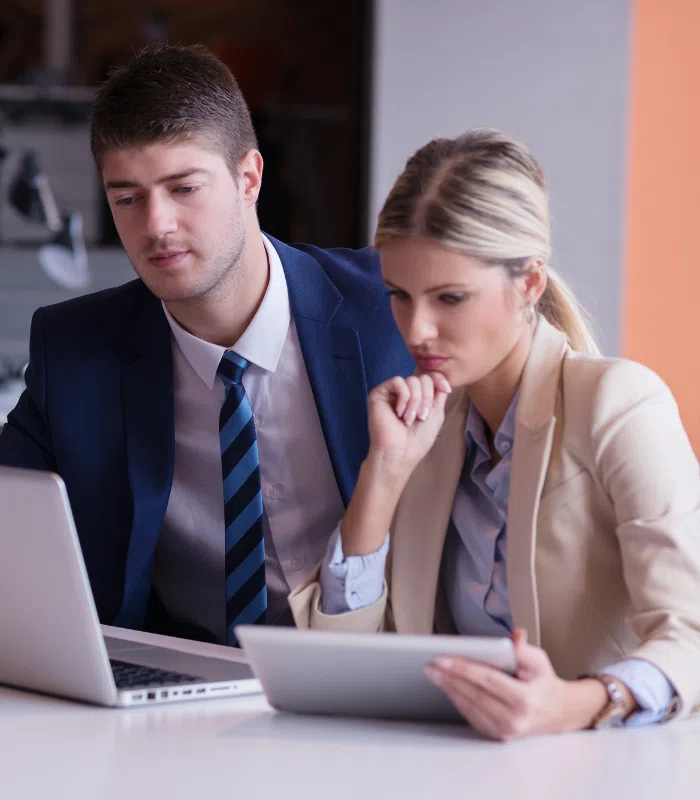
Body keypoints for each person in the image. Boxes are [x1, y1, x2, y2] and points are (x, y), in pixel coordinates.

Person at [289, 128, 700, 739]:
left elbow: (689, 632)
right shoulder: (428, 433)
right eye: (399, 296)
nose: (418, 330)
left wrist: (583, 702)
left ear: (529, 282)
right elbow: (341, 662)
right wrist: (384, 473)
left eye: (450, 298)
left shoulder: (619, 403)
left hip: (603, 766)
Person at [0, 44, 413, 646]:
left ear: (249, 177)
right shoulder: (74, 351)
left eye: (184, 188)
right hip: (182, 693)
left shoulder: (390, 310)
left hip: (379, 670)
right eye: (127, 198)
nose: (156, 225)